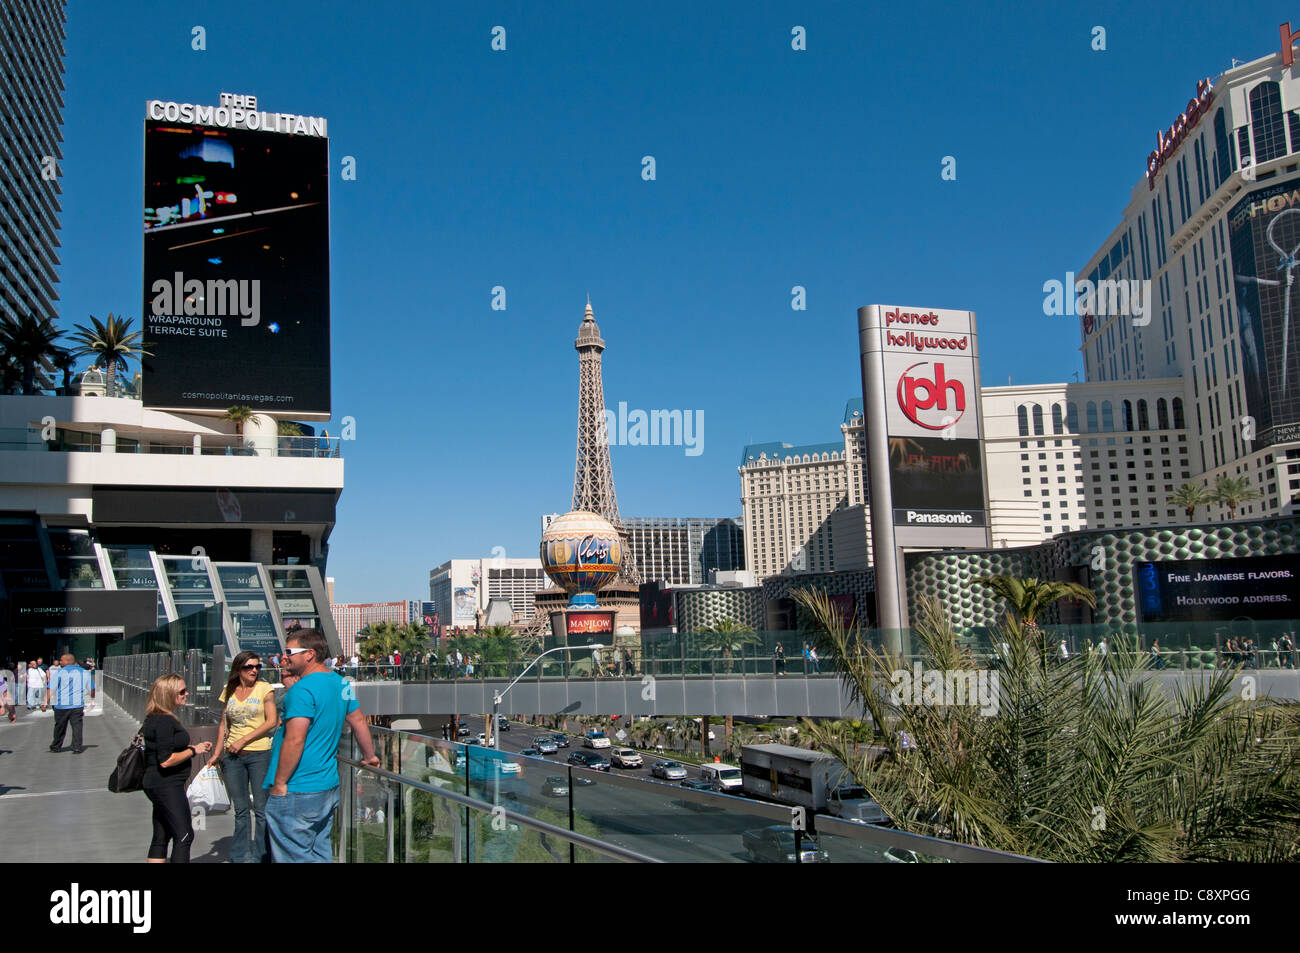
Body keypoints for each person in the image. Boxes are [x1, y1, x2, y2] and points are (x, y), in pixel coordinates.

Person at [263, 629, 379, 863]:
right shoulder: (340, 682)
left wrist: (280, 783)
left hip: (298, 787)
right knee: (319, 852)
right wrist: (370, 755)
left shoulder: (301, 690)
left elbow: (295, 739)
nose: (284, 658)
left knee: (293, 856)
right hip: (327, 786)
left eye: (289, 652)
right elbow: (357, 720)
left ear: (309, 654)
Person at [210, 651, 279, 863]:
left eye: (257, 667)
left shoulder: (264, 689)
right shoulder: (228, 690)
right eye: (249, 667)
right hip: (233, 757)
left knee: (260, 808)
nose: (254, 671)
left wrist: (244, 740)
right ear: (239, 669)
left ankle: (261, 856)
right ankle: (239, 856)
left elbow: (271, 721)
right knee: (240, 810)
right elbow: (224, 723)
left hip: (259, 753)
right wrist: (216, 753)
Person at [142, 674, 212, 863]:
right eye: (182, 691)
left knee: (161, 835)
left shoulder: (154, 717)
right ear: (168, 694)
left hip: (157, 783)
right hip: (166, 784)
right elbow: (166, 760)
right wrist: (193, 750)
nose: (186, 694)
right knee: (184, 835)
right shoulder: (164, 721)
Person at [46, 653, 94, 753]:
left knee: (60, 726)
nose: (60, 662)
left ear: (68, 661)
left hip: (61, 705)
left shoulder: (59, 672)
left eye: (61, 660)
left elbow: (51, 688)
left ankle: (56, 746)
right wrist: (92, 698)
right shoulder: (84, 672)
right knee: (77, 726)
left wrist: (44, 702)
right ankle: (77, 747)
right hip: (77, 705)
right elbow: (92, 688)